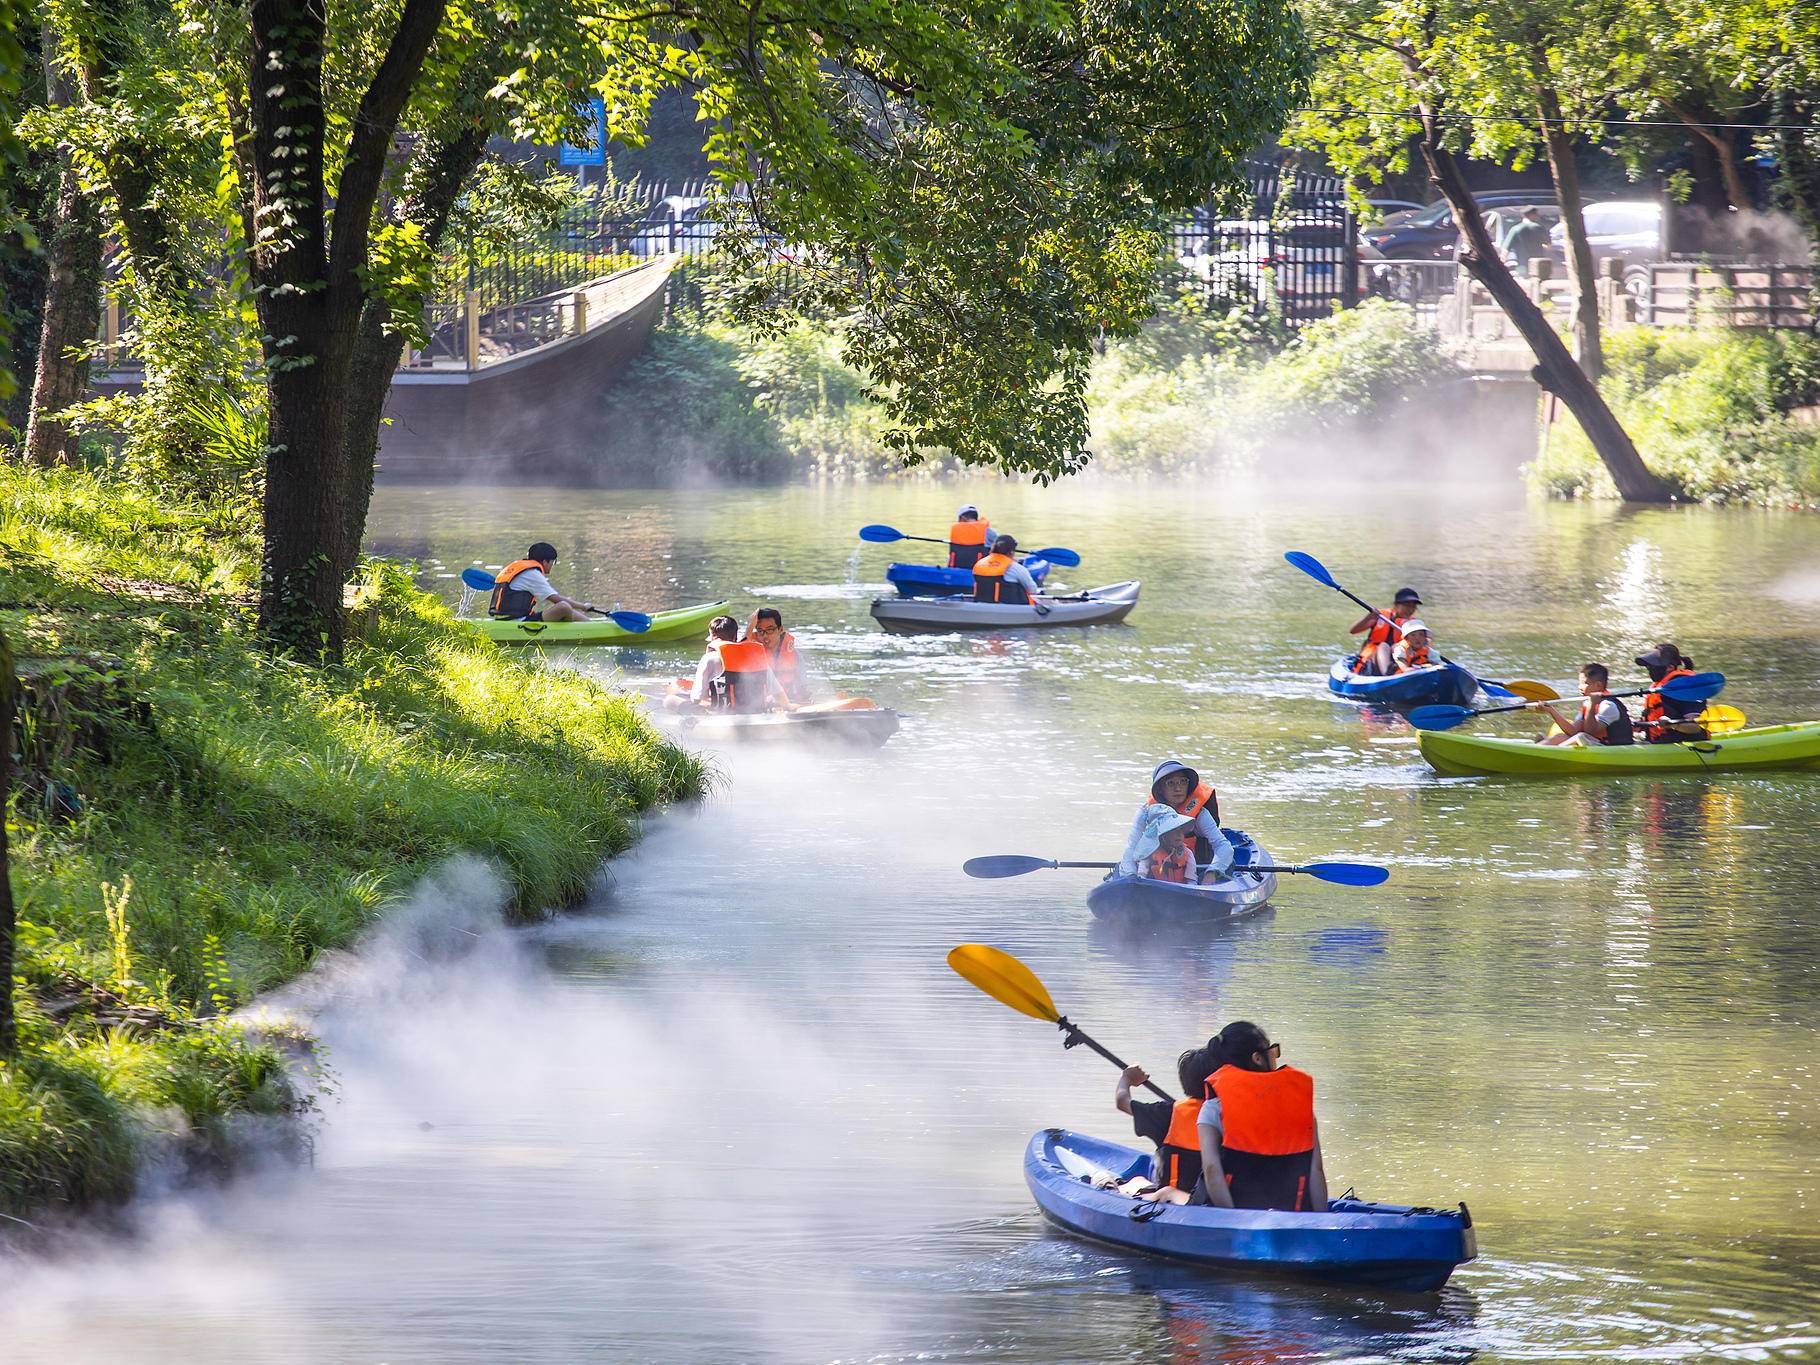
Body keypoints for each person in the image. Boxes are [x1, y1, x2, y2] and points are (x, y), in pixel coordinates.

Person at [1195, 1021, 1328, 1212]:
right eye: (1272, 1051)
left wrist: (1232, 1219)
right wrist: (1321, 1219)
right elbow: (1316, 1170)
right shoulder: (1300, 1104)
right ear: (1257, 1058)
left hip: (1236, 1213)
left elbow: (1211, 1169)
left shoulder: (1213, 1107)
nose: (1275, 1057)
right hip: (1293, 1212)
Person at [1115, 1045, 1220, 1205]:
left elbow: (1122, 1102)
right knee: (1139, 1180)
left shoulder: (1168, 1112)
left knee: (1135, 1181)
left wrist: (1127, 1079)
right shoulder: (1230, 1114)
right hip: (1213, 1199)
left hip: (1172, 1202)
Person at [1119, 759, 1234, 881]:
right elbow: (1131, 847)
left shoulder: (1200, 814)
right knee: (1123, 869)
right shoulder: (1145, 813)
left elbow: (1223, 846)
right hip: (1155, 870)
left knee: (1228, 864)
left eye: (1183, 782)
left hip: (1196, 866)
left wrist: (1212, 872)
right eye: (1171, 783)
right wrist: (1130, 877)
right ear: (1160, 789)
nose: (1178, 788)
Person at [670, 615, 787, 714]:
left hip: (723, 716)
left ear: (713, 638)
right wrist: (787, 706)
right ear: (735, 637)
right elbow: (778, 693)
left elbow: (697, 698)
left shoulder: (709, 658)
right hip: (757, 712)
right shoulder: (756, 657)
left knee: (670, 700)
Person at [487, 542, 598, 622]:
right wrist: (583, 606)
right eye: (553, 562)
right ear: (545, 561)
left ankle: (590, 625)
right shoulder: (532, 574)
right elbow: (556, 600)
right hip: (516, 621)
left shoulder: (516, 569)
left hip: (503, 618)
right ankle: (575, 633)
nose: (552, 566)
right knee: (564, 607)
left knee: (566, 608)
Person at [1538, 663, 1635, 747]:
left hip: (1614, 747)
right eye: (1579, 683)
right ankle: (1538, 748)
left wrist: (1592, 706)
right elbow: (1572, 731)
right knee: (1560, 736)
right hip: (1595, 743)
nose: (1580, 687)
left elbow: (1590, 731)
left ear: (1598, 685)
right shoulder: (1587, 703)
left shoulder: (1608, 705)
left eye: (1584, 683)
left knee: (1580, 737)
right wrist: (1551, 710)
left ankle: (1548, 752)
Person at [1636, 643, 1708, 743]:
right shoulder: (1658, 688)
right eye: (1649, 667)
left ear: (1670, 667)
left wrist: (1672, 724)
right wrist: (1640, 725)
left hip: (1688, 745)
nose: (1650, 670)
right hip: (1660, 743)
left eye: (1653, 667)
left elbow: (1696, 727)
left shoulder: (1685, 687)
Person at [1348, 587, 1421, 676]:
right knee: (1383, 646)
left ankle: (1399, 673)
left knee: (1396, 647)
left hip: (1400, 663)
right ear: (1396, 605)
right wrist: (1369, 617)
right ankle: (1388, 674)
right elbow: (1353, 630)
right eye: (1407, 605)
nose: (1410, 609)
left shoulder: (1413, 624)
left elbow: (1421, 646)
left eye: (1413, 606)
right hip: (1371, 663)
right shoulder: (1379, 616)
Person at [747, 607, 811, 704]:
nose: (765, 636)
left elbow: (803, 688)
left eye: (770, 630)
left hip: (789, 703)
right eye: (760, 631)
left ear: (780, 629)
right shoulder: (751, 654)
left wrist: (805, 703)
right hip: (761, 705)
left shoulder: (795, 655)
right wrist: (749, 626)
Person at [972, 535, 1043, 606]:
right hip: (1010, 610)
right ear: (1011, 552)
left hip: (982, 606)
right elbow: (1032, 590)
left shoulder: (979, 563)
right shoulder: (1016, 568)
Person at [1502, 206, 1550, 273]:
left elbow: (1505, 250)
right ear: (1532, 215)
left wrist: (1501, 264)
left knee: (1522, 281)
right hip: (1538, 265)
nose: (1538, 216)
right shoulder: (1540, 228)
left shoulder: (1515, 229)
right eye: (1536, 214)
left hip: (1522, 266)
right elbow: (1548, 247)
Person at [947, 505, 993, 571]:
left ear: (962, 518)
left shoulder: (955, 529)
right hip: (979, 572)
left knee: (949, 557)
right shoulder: (988, 531)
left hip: (956, 568)